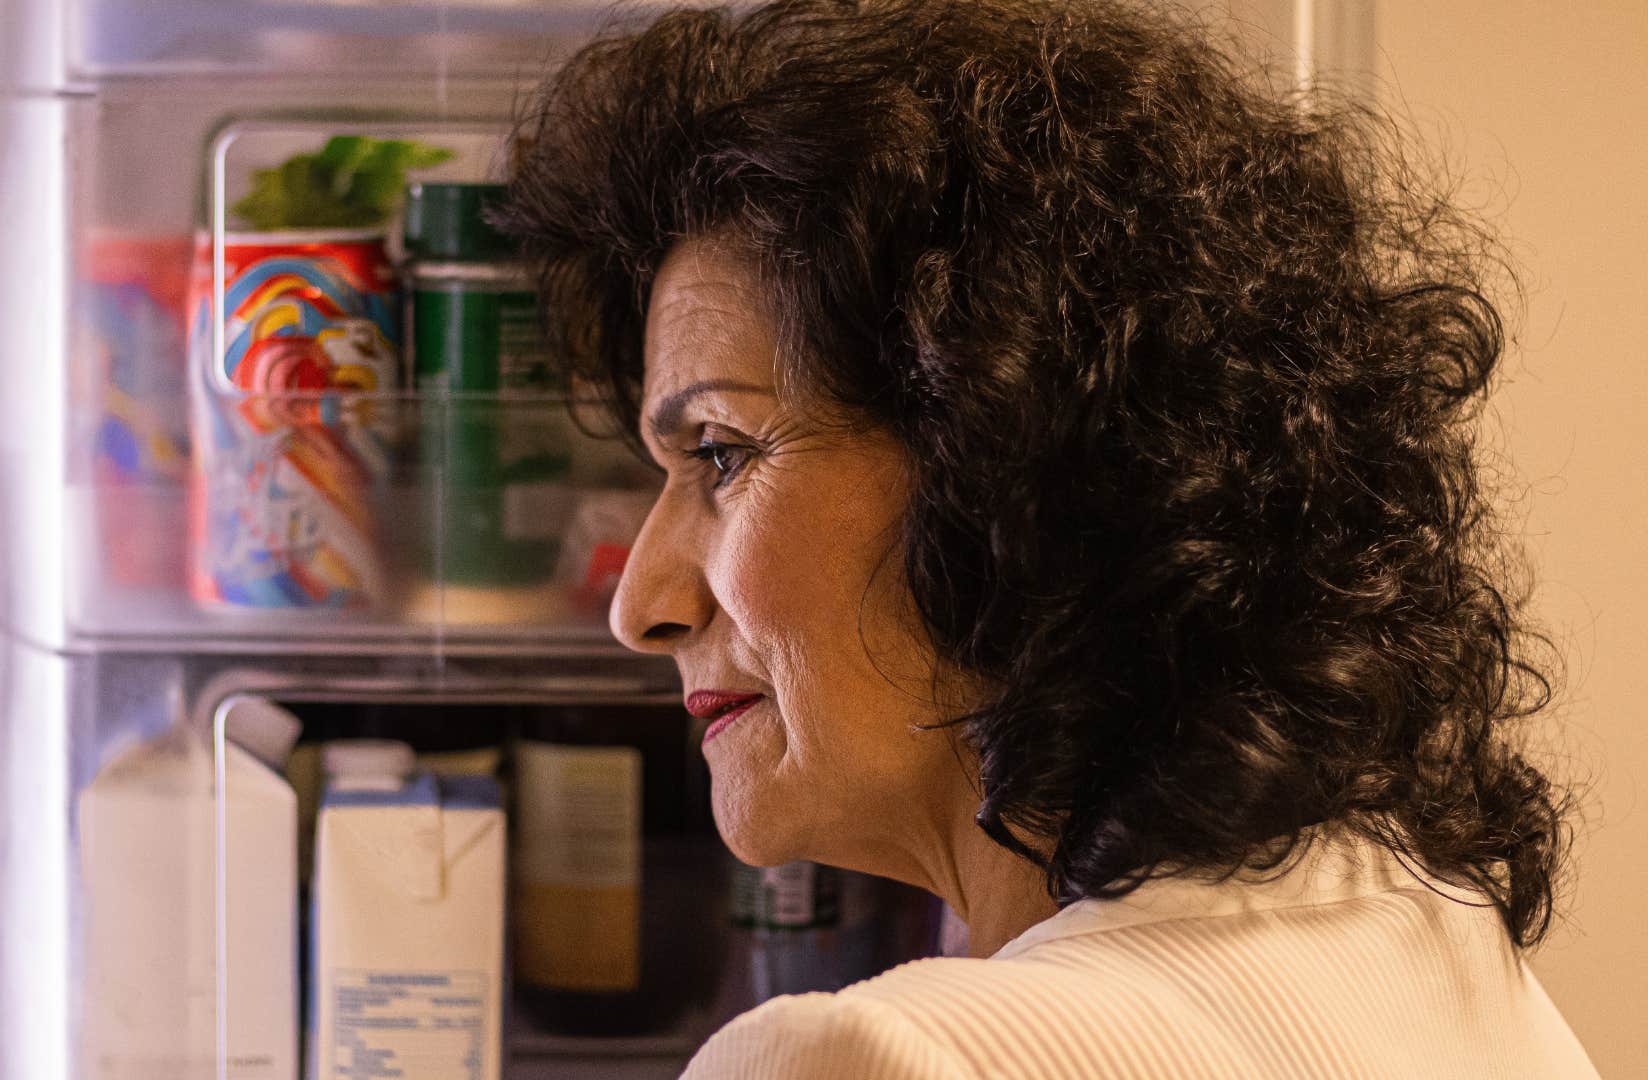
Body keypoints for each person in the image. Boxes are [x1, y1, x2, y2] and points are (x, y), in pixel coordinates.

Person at [493, 0, 1598, 1075]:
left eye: (722, 453)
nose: (641, 605)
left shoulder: (870, 1059)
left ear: (1011, 458)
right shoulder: (1431, 924)